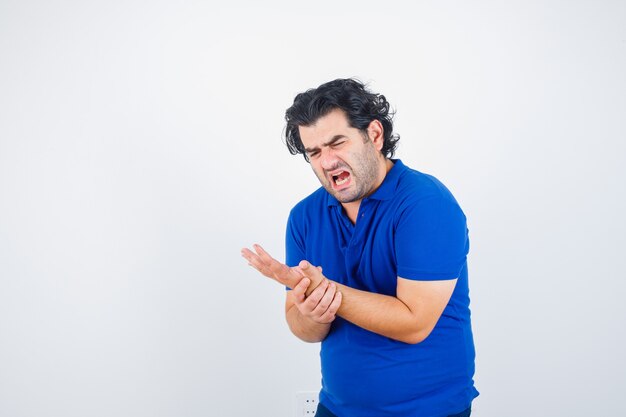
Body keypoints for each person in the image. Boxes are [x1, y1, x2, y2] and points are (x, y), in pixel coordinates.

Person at [241, 78, 478, 417]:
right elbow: (301, 326)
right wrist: (313, 312)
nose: (327, 161)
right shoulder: (304, 217)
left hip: (430, 410)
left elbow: (415, 323)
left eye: (337, 143)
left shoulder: (426, 203)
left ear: (375, 135)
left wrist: (327, 291)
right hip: (337, 407)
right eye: (315, 152)